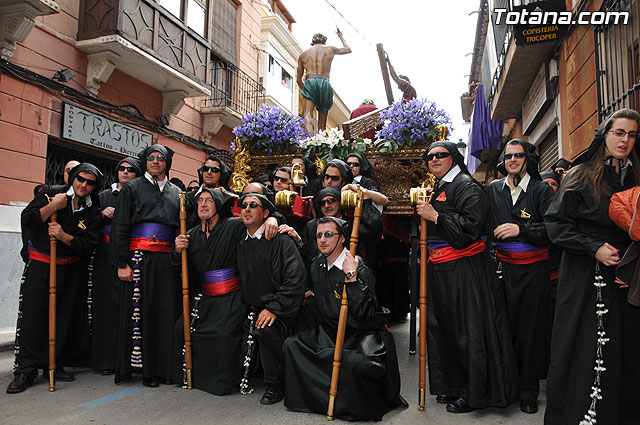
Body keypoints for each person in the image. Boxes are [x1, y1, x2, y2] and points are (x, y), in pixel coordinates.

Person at [544, 108, 640, 425]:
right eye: (619, 132)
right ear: (605, 134)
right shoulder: (581, 174)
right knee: (592, 348)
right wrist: (594, 247)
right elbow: (556, 225)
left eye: (632, 134)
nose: (625, 140)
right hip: (588, 275)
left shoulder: (637, 174)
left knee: (629, 350)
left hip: (630, 274)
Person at [415, 141, 518, 413]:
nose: (434, 160)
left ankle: (473, 394)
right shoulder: (441, 186)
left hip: (465, 271)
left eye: (441, 155)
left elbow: (470, 229)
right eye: (430, 157)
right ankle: (453, 386)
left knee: (467, 332)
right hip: (443, 271)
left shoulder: (467, 186)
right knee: (446, 329)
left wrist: (435, 216)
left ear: (454, 158)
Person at [283, 216, 407, 420]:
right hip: (330, 331)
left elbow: (367, 313)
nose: (323, 240)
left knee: (358, 364)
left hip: (361, 334)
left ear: (342, 239)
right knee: (292, 345)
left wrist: (351, 277)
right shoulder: (316, 265)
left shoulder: (358, 267)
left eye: (329, 235)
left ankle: (346, 404)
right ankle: (319, 400)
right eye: (319, 236)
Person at [170, 188, 279, 395]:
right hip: (204, 297)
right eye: (200, 200)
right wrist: (177, 252)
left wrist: (272, 219)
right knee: (179, 330)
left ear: (218, 205)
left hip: (231, 296)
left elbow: (256, 219)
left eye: (209, 201)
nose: (203, 204)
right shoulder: (190, 234)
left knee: (222, 335)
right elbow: (182, 270)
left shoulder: (234, 225)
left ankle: (219, 382)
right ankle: (190, 377)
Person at [8, 163, 103, 394]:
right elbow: (28, 219)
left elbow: (87, 246)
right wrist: (53, 206)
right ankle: (26, 369)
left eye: (90, 182)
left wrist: (64, 236)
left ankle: (55, 364)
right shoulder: (51, 193)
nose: (84, 185)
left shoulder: (93, 210)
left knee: (64, 317)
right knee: (34, 316)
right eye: (81, 179)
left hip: (70, 270)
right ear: (73, 178)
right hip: (42, 266)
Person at [486, 140, 555, 414]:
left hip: (534, 273)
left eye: (518, 155)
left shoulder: (541, 191)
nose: (513, 159)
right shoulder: (493, 189)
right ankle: (507, 389)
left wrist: (521, 230)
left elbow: (554, 230)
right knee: (505, 330)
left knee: (530, 332)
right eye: (508, 156)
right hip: (502, 270)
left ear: (528, 159)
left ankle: (528, 391)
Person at [112, 145, 184, 388]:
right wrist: (122, 262)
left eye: (160, 158)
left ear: (167, 162)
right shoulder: (132, 188)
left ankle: (165, 368)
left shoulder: (177, 192)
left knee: (165, 312)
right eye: (150, 158)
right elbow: (120, 225)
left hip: (167, 261)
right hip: (139, 260)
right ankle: (146, 371)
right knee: (142, 313)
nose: (155, 162)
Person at [237, 193, 305, 405]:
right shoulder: (241, 241)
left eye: (253, 206)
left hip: (281, 309)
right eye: (244, 206)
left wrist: (274, 309)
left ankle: (277, 384)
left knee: (265, 327)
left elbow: (296, 278)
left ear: (265, 213)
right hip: (251, 306)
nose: (247, 209)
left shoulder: (282, 240)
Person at [92, 157, 142, 375]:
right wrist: (101, 216)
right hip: (105, 258)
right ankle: (106, 360)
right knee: (106, 310)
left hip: (132, 258)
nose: (125, 172)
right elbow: (86, 224)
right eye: (121, 168)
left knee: (132, 309)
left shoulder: (141, 196)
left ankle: (131, 359)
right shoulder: (103, 196)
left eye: (130, 170)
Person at [297, 30, 351, 132]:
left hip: (310, 81)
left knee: (307, 115)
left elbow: (298, 80)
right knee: (323, 121)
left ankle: (309, 141)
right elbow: (348, 49)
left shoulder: (303, 55)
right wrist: (341, 36)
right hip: (325, 82)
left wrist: (307, 91)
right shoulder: (330, 49)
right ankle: (322, 143)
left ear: (312, 42)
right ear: (324, 42)